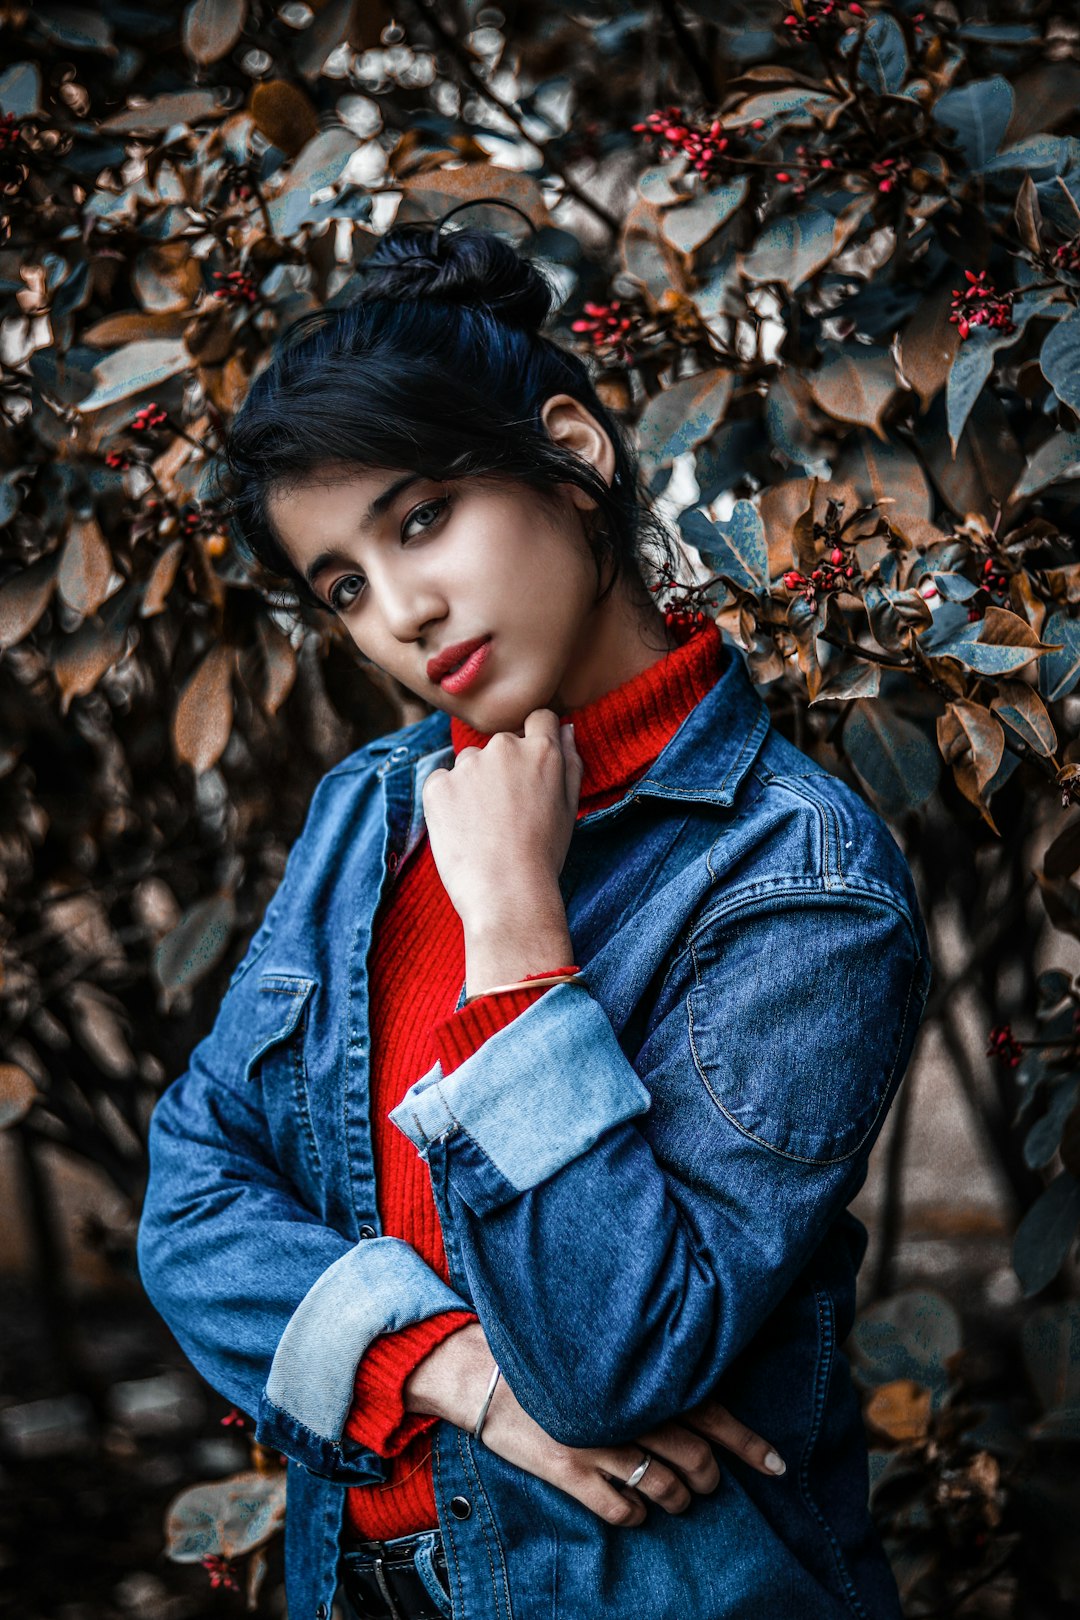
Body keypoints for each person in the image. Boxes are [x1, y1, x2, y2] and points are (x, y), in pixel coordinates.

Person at [138, 218, 932, 1620]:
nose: (402, 610)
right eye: (343, 585)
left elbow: (616, 1364)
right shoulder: (369, 814)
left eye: (422, 517)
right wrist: (458, 1377)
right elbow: (193, 1196)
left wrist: (514, 937)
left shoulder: (800, 879)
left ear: (572, 449)